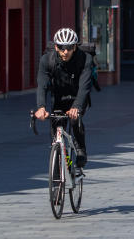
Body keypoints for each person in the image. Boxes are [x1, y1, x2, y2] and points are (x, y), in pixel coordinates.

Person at [34, 28, 93, 168]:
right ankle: (62, 161)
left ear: (75, 47)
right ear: (56, 47)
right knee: (56, 127)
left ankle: (80, 150)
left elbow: (85, 87)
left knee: (74, 119)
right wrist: (41, 107)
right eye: (61, 47)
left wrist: (77, 107)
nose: (65, 51)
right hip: (59, 97)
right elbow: (41, 85)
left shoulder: (85, 59)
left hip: (78, 96)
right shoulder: (47, 60)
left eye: (69, 48)